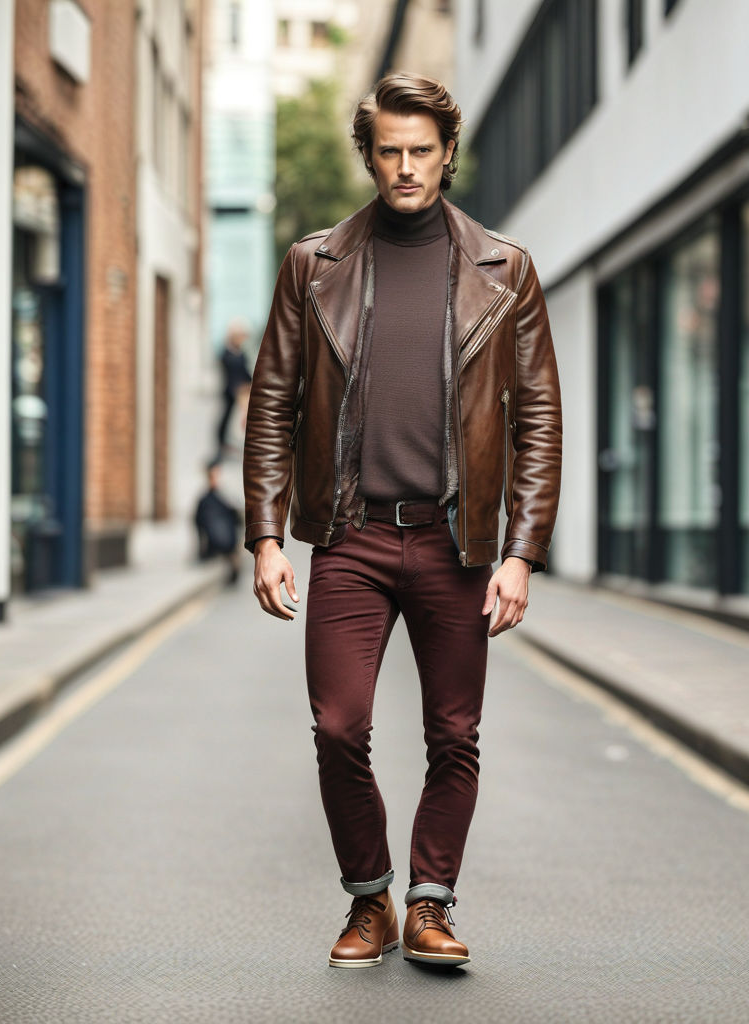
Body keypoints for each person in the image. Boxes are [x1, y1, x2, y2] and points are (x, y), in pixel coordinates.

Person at [243, 72, 561, 970]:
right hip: (350, 537)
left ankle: (429, 903)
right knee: (340, 725)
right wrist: (267, 534)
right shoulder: (316, 265)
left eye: (423, 150)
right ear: (369, 153)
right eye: (390, 150)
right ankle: (367, 899)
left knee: (453, 735)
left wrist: (521, 552)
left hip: (457, 543)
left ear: (449, 153)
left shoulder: (506, 269)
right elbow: (273, 402)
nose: (406, 167)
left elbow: (537, 416)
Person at [194, 458, 242, 585]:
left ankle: (232, 569)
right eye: (212, 475)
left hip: (227, 539)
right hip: (217, 541)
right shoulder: (205, 500)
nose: (215, 478)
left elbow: (236, 516)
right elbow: (198, 523)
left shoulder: (224, 497)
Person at [216, 318, 253, 453]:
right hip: (232, 390)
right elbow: (231, 374)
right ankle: (222, 442)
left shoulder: (240, 353)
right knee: (227, 416)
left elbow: (245, 371)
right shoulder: (227, 354)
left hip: (242, 390)